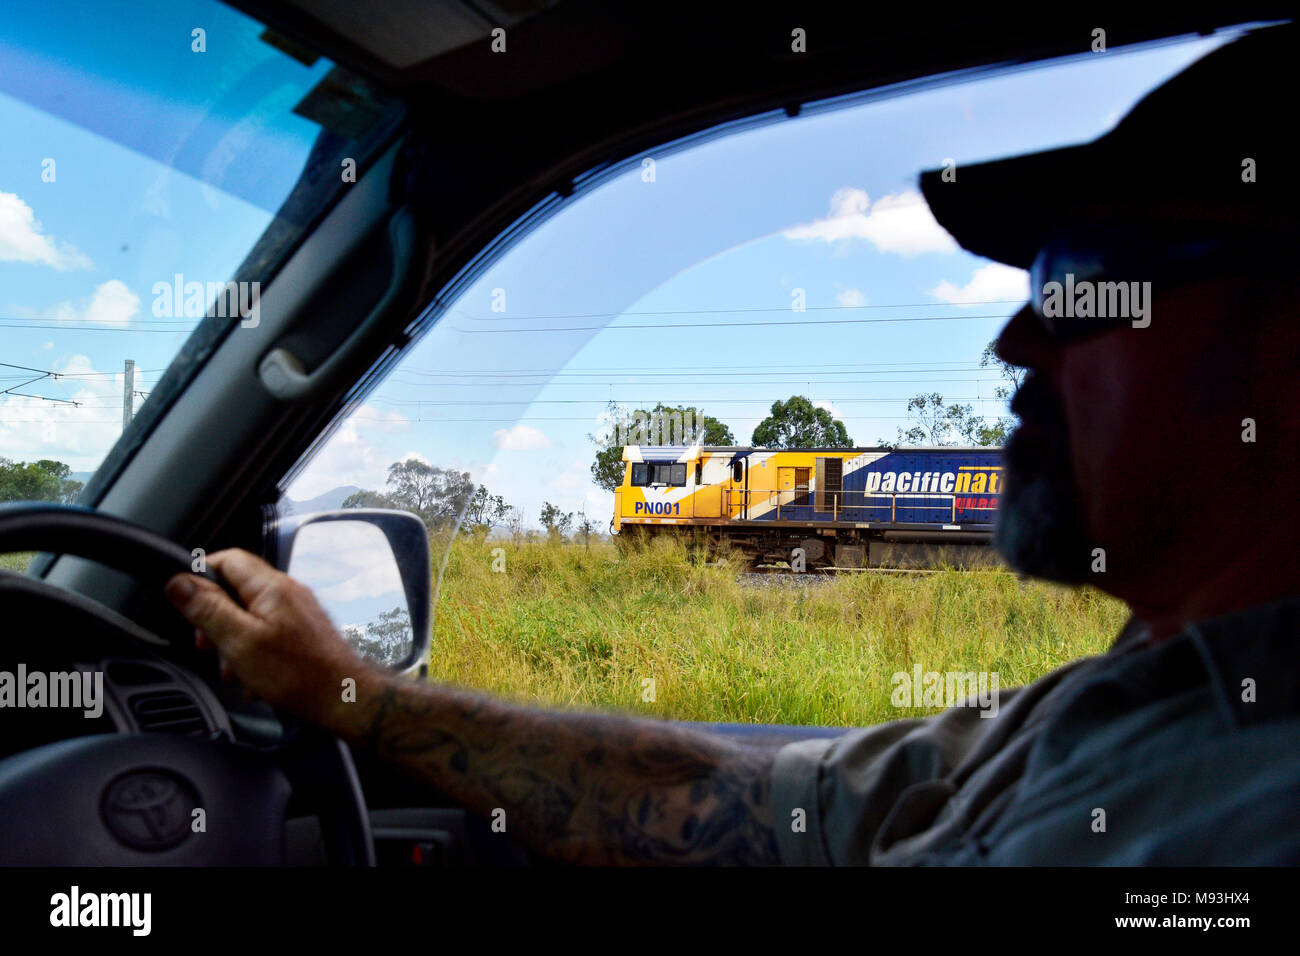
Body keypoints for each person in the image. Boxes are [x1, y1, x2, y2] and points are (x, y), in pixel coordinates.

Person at [164, 24, 1299, 865]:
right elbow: (738, 799)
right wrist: (354, 695)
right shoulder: (1102, 706)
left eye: (1082, 278)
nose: (1012, 340)